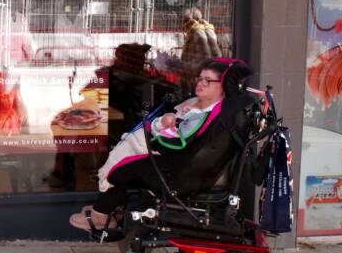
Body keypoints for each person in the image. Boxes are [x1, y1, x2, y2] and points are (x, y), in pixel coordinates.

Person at [71, 60, 230, 231]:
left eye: (208, 80)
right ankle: (111, 209)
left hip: (173, 163)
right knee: (123, 153)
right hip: (160, 147)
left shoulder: (208, 115)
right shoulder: (193, 103)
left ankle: (101, 216)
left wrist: (176, 122)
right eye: (200, 78)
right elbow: (161, 126)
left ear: (222, 85)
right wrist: (164, 121)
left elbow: (179, 142)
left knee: (122, 167)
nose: (201, 83)